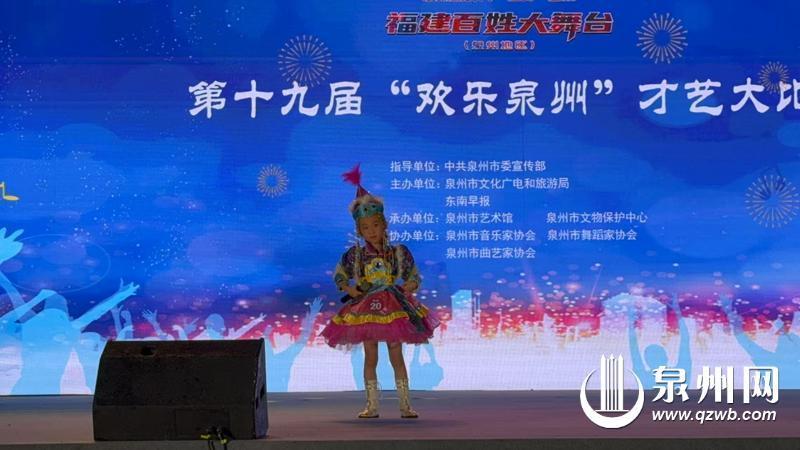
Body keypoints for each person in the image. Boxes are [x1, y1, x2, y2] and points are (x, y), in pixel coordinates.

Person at [320, 164, 440, 419]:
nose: (371, 231)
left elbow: (413, 275)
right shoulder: (355, 255)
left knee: (396, 352)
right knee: (370, 353)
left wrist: (409, 286)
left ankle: (405, 404)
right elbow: (340, 275)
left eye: (375, 225)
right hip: (366, 307)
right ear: (359, 230)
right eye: (365, 228)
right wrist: (350, 289)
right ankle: (372, 405)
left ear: (384, 224)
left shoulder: (398, 252)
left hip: (393, 304)